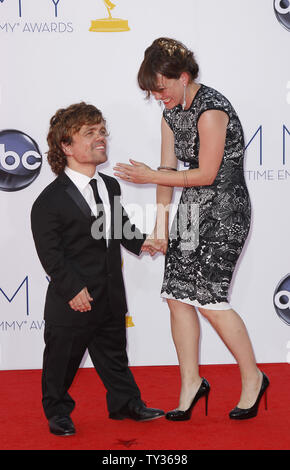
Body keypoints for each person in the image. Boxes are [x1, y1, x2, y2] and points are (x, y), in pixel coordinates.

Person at [114, 37, 269, 421]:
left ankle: (253, 378)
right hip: (190, 211)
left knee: (212, 301)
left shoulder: (211, 108)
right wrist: (161, 225)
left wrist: (150, 174)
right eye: (151, 91)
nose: (157, 96)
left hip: (225, 211)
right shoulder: (170, 114)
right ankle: (191, 383)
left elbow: (207, 173)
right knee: (177, 296)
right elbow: (167, 173)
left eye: (161, 88)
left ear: (183, 77)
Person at [31, 102, 164, 436]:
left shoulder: (110, 186)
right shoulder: (49, 201)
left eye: (102, 130)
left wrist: (144, 242)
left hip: (110, 293)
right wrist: (73, 289)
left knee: (114, 355)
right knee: (61, 361)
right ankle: (58, 411)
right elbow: (51, 254)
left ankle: (125, 403)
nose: (100, 137)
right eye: (89, 133)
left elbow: (118, 226)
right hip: (72, 297)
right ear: (66, 145)